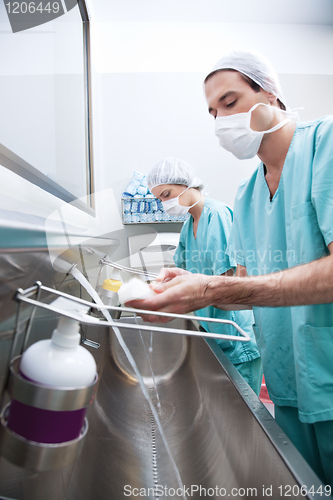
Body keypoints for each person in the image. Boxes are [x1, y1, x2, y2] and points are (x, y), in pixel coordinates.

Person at [128, 50, 333, 488]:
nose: (221, 120)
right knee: (303, 484)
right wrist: (189, 289)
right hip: (287, 379)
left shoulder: (326, 147)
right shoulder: (248, 195)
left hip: (328, 370)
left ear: (271, 94)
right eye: (212, 111)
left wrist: (208, 292)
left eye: (230, 101)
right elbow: (242, 280)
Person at [147, 157, 262, 395]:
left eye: (167, 194)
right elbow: (187, 274)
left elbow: (228, 283)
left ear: (187, 184)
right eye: (160, 199)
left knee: (244, 412)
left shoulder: (216, 215)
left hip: (235, 336)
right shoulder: (190, 223)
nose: (165, 203)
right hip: (215, 331)